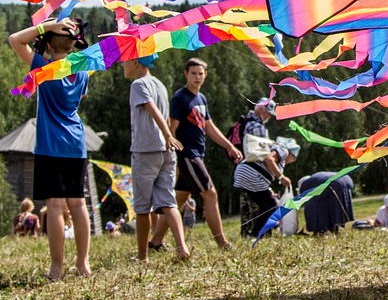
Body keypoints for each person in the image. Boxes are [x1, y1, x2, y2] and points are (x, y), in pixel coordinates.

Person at [9, 17, 93, 280]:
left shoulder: (44, 68)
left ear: (47, 44)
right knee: (78, 206)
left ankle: (57, 267)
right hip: (76, 144)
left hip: (50, 144)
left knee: (55, 207)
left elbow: (15, 39)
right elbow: (82, 97)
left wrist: (45, 27)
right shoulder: (81, 70)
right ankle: (83, 263)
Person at [159, 57, 240, 251]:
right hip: (188, 154)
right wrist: (173, 157)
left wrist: (229, 145)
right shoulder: (181, 98)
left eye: (200, 73)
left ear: (206, 75)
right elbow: (172, 129)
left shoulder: (201, 99)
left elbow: (209, 127)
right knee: (210, 194)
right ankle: (222, 243)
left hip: (198, 153)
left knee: (178, 199)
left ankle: (155, 242)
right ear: (186, 74)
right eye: (193, 73)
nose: (197, 77)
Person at [123, 53, 188, 263]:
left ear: (135, 62)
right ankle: (182, 248)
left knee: (142, 207)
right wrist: (168, 137)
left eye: (125, 60)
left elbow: (152, 110)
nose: (123, 65)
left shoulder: (138, 85)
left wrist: (168, 133)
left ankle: (143, 257)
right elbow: (163, 112)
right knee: (168, 202)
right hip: (166, 151)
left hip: (146, 149)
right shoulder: (159, 84)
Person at [234, 137, 299, 238]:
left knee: (264, 205)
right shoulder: (284, 150)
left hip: (242, 173)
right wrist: (281, 177)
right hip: (252, 174)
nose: (292, 161)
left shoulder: (273, 147)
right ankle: (255, 235)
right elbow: (268, 159)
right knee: (271, 205)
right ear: (292, 153)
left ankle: (255, 233)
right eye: (294, 158)